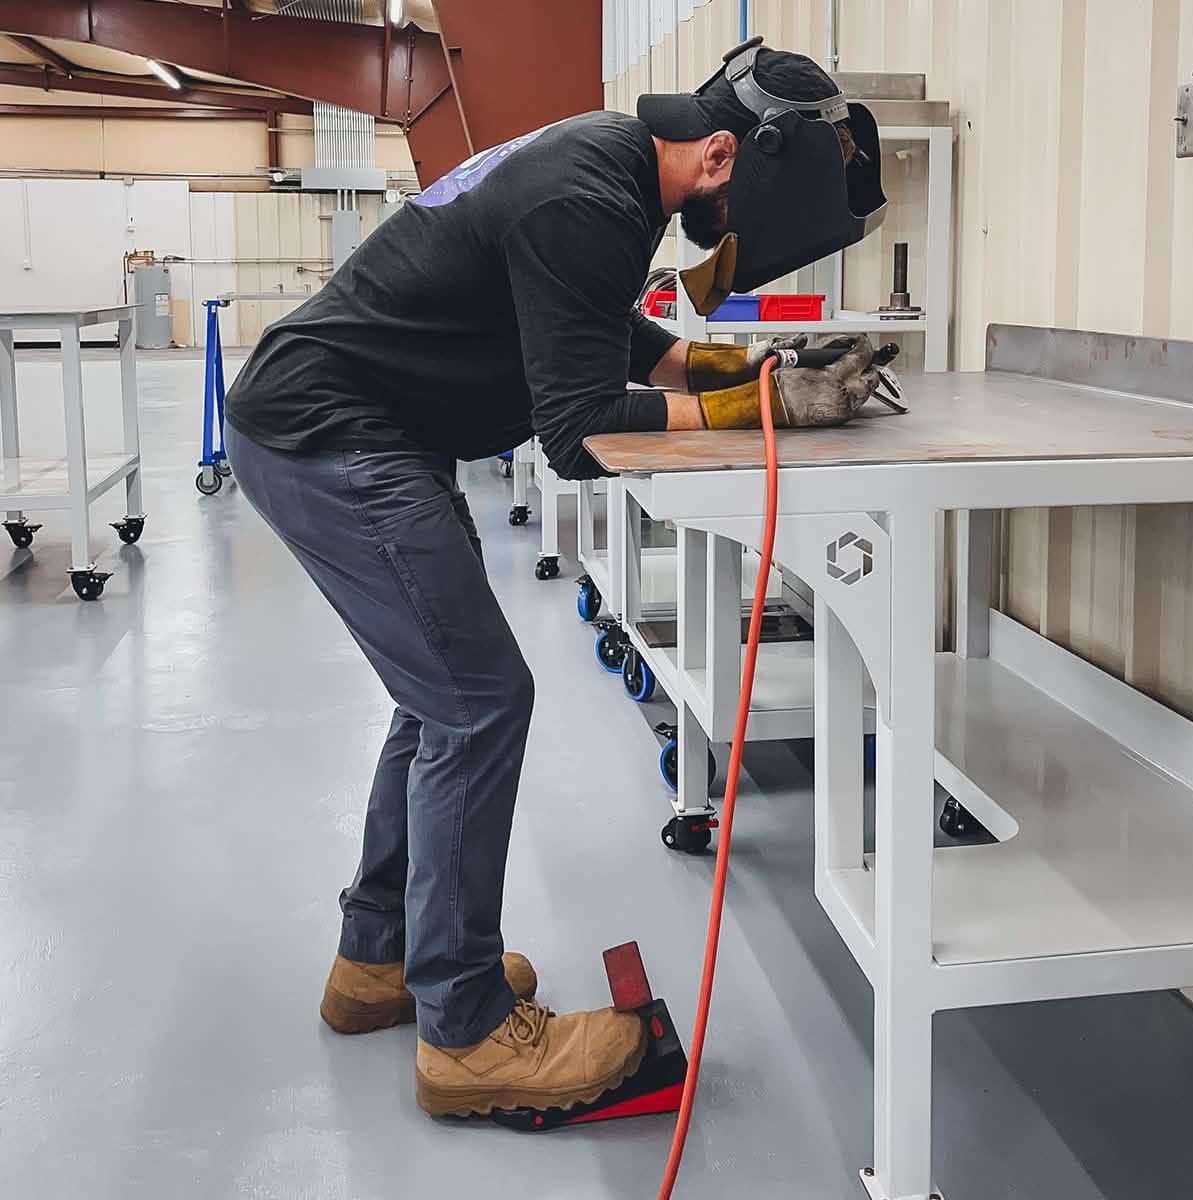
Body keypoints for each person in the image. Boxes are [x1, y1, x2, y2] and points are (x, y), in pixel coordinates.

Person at [223, 39, 887, 1120]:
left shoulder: (610, 163)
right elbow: (575, 431)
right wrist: (759, 412)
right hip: (332, 433)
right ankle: (469, 1032)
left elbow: (610, 337)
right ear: (723, 155)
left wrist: (756, 372)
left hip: (357, 424)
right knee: (480, 705)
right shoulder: (590, 198)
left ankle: (380, 961)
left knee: (439, 697)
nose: (744, 246)